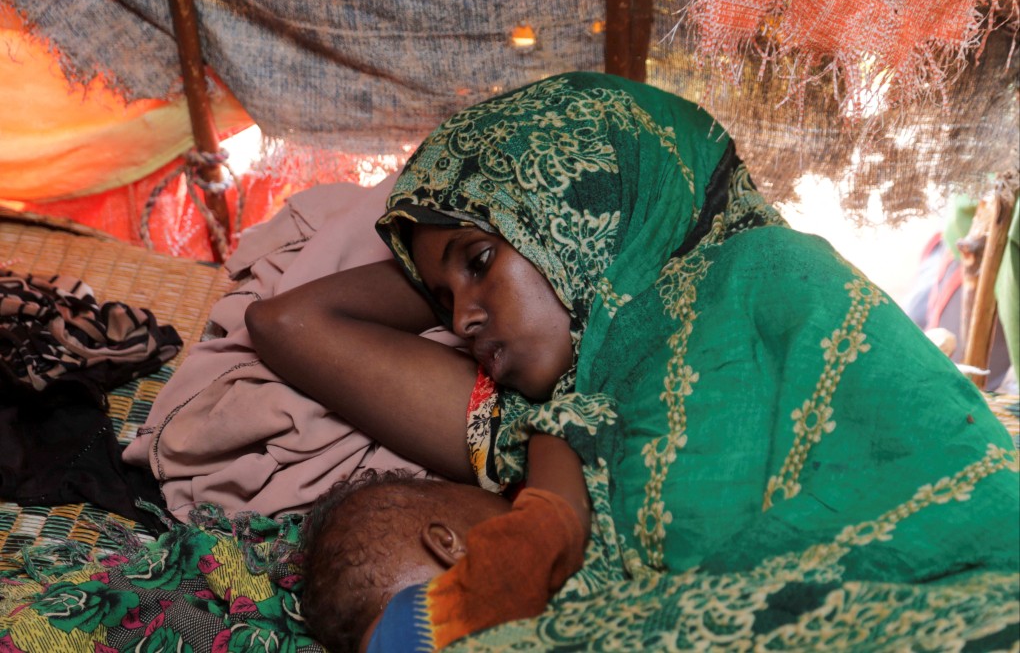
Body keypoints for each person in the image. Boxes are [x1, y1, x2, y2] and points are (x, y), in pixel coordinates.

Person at [251, 72, 1018, 648]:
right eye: (441, 299)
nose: (461, 318)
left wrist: (558, 253)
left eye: (478, 263)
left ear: (580, 210)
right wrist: (476, 266)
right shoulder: (530, 420)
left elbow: (952, 486)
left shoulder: (773, 278)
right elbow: (287, 322)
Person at [301, 434, 589, 653]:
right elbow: (554, 520)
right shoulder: (440, 614)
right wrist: (542, 432)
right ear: (447, 544)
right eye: (511, 505)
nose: (516, 499)